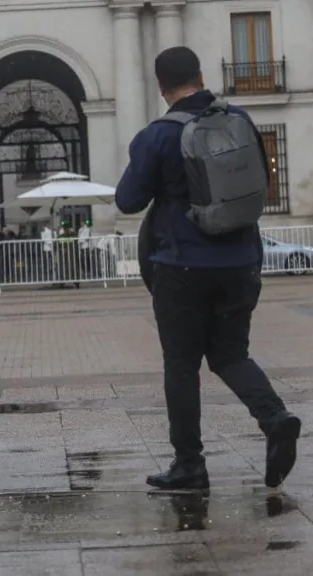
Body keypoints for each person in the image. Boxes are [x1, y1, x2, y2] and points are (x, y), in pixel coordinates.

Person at [115, 47, 300, 491]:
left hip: (181, 267)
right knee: (231, 354)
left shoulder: (157, 135)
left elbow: (127, 200)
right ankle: (275, 418)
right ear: (200, 74)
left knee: (181, 367)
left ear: (161, 87)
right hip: (241, 262)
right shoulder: (240, 119)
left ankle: (189, 465)